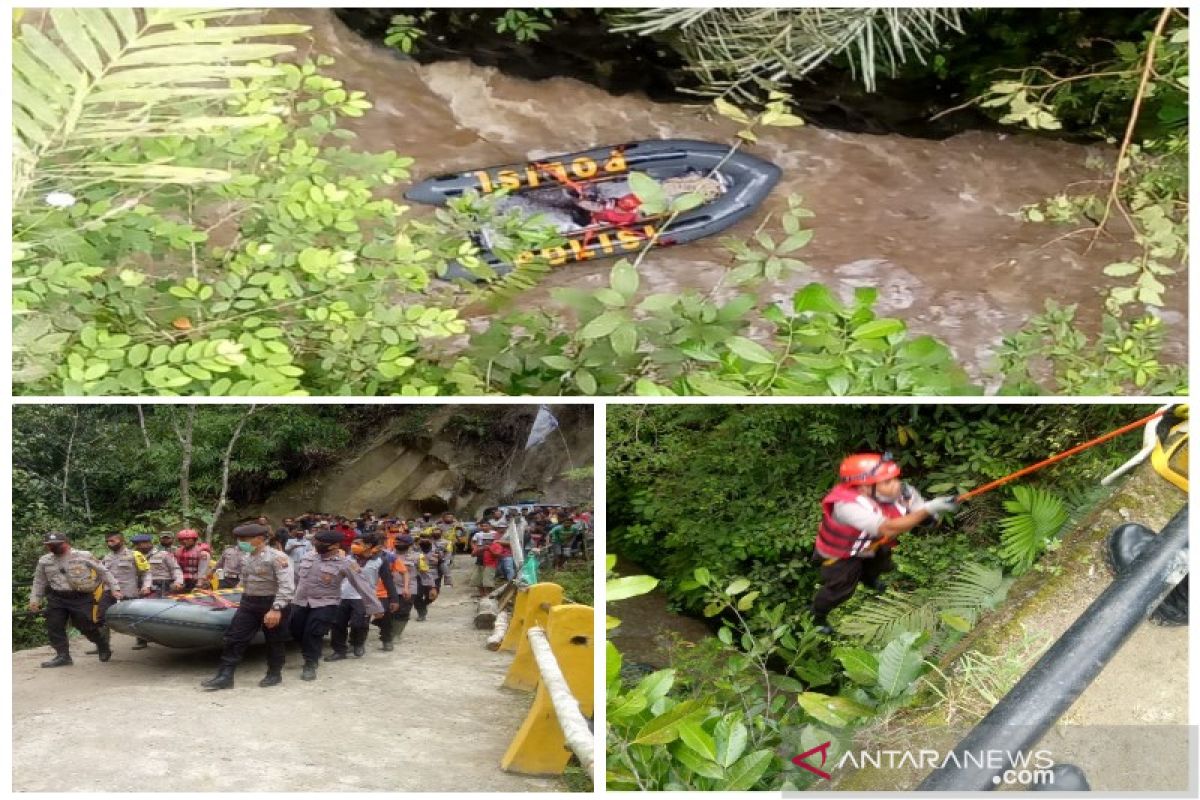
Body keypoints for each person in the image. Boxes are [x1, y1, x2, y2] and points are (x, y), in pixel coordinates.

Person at [810, 453, 959, 634]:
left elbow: (917, 509)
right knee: (841, 588)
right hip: (840, 553)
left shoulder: (902, 492)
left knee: (882, 562)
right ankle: (817, 615)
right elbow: (887, 528)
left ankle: (869, 578)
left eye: (894, 479)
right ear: (865, 487)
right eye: (887, 482)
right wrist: (929, 508)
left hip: (870, 544)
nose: (896, 484)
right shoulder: (847, 506)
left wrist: (927, 516)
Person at [200, 523, 295, 690]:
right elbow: (244, 580)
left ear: (259, 539)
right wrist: (235, 592)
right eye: (238, 539)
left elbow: (286, 586)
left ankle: (274, 673)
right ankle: (225, 676)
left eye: (244, 539)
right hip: (249, 603)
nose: (240, 542)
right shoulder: (247, 556)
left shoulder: (278, 558)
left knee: (275, 641)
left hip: (272, 602)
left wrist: (276, 609)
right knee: (234, 638)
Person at [290, 530, 384, 681]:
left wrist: (376, 607)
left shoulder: (345, 563)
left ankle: (310, 663)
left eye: (322, 543)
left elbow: (363, 585)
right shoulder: (308, 557)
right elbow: (296, 578)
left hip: (326, 602)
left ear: (335, 545)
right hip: (301, 601)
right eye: (316, 542)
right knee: (296, 629)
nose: (317, 545)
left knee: (313, 632)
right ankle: (312, 651)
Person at [28, 532, 122, 667]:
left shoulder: (84, 555)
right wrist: (35, 600)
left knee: (86, 626)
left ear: (66, 543)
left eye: (56, 544)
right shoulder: (44, 560)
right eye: (49, 545)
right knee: (54, 626)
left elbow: (103, 572)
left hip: (80, 597)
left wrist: (115, 588)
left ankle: (102, 644)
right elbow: (39, 581)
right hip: (57, 597)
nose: (52, 547)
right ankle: (63, 656)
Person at [328, 535, 395, 660]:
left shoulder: (380, 560)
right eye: (353, 543)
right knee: (337, 624)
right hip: (343, 595)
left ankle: (357, 643)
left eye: (357, 543)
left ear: (368, 546)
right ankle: (339, 650)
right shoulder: (346, 559)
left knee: (359, 624)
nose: (353, 545)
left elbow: (388, 580)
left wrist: (394, 599)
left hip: (363, 597)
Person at [97, 532, 152, 651]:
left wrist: (146, 586)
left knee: (134, 617)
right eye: (108, 542)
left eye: (113, 541)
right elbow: (102, 576)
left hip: (129, 591)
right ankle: (103, 645)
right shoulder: (106, 557)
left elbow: (146, 572)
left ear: (122, 541)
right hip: (109, 591)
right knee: (101, 616)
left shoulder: (135, 555)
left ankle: (141, 640)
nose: (109, 544)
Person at [470, 521, 498, 597]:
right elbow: (472, 553)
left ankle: (487, 595)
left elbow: (497, 554)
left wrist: (490, 548)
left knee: (488, 579)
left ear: (490, 526)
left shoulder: (495, 534)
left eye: (486, 526)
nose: (484, 527)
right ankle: (482, 594)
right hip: (480, 558)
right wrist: (476, 549)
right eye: (483, 526)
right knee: (477, 578)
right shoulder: (478, 534)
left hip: (490, 562)